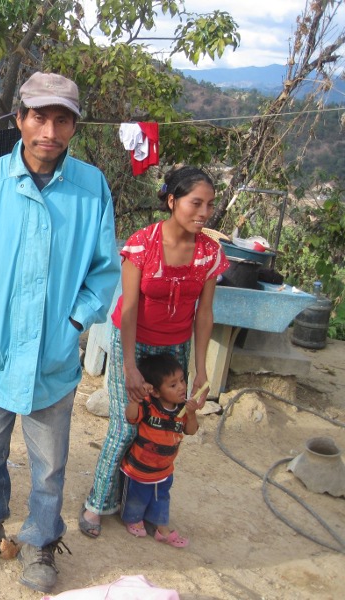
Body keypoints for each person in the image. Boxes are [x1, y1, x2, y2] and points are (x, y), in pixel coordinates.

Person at [0, 71, 120, 594]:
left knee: (51, 464)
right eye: (39, 116)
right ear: (20, 120)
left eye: (62, 119)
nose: (49, 130)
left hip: (52, 357)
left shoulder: (91, 188)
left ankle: (39, 540)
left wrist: (74, 326)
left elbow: (104, 271)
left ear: (73, 127)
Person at [80, 166, 228, 539]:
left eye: (209, 205)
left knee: (163, 427)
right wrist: (129, 367)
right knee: (125, 425)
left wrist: (200, 371)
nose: (204, 213)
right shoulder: (142, 245)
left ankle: (140, 503)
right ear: (172, 200)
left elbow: (204, 314)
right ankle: (98, 503)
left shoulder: (209, 253)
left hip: (174, 350)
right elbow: (128, 310)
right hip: (134, 343)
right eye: (196, 203)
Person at [119, 353, 198, 548]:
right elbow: (131, 417)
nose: (181, 387)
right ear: (155, 392)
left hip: (164, 470)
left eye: (182, 380)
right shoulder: (149, 406)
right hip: (139, 468)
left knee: (161, 498)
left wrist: (192, 413)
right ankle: (134, 519)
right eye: (173, 385)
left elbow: (191, 430)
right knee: (138, 497)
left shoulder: (181, 410)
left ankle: (162, 529)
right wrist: (136, 400)